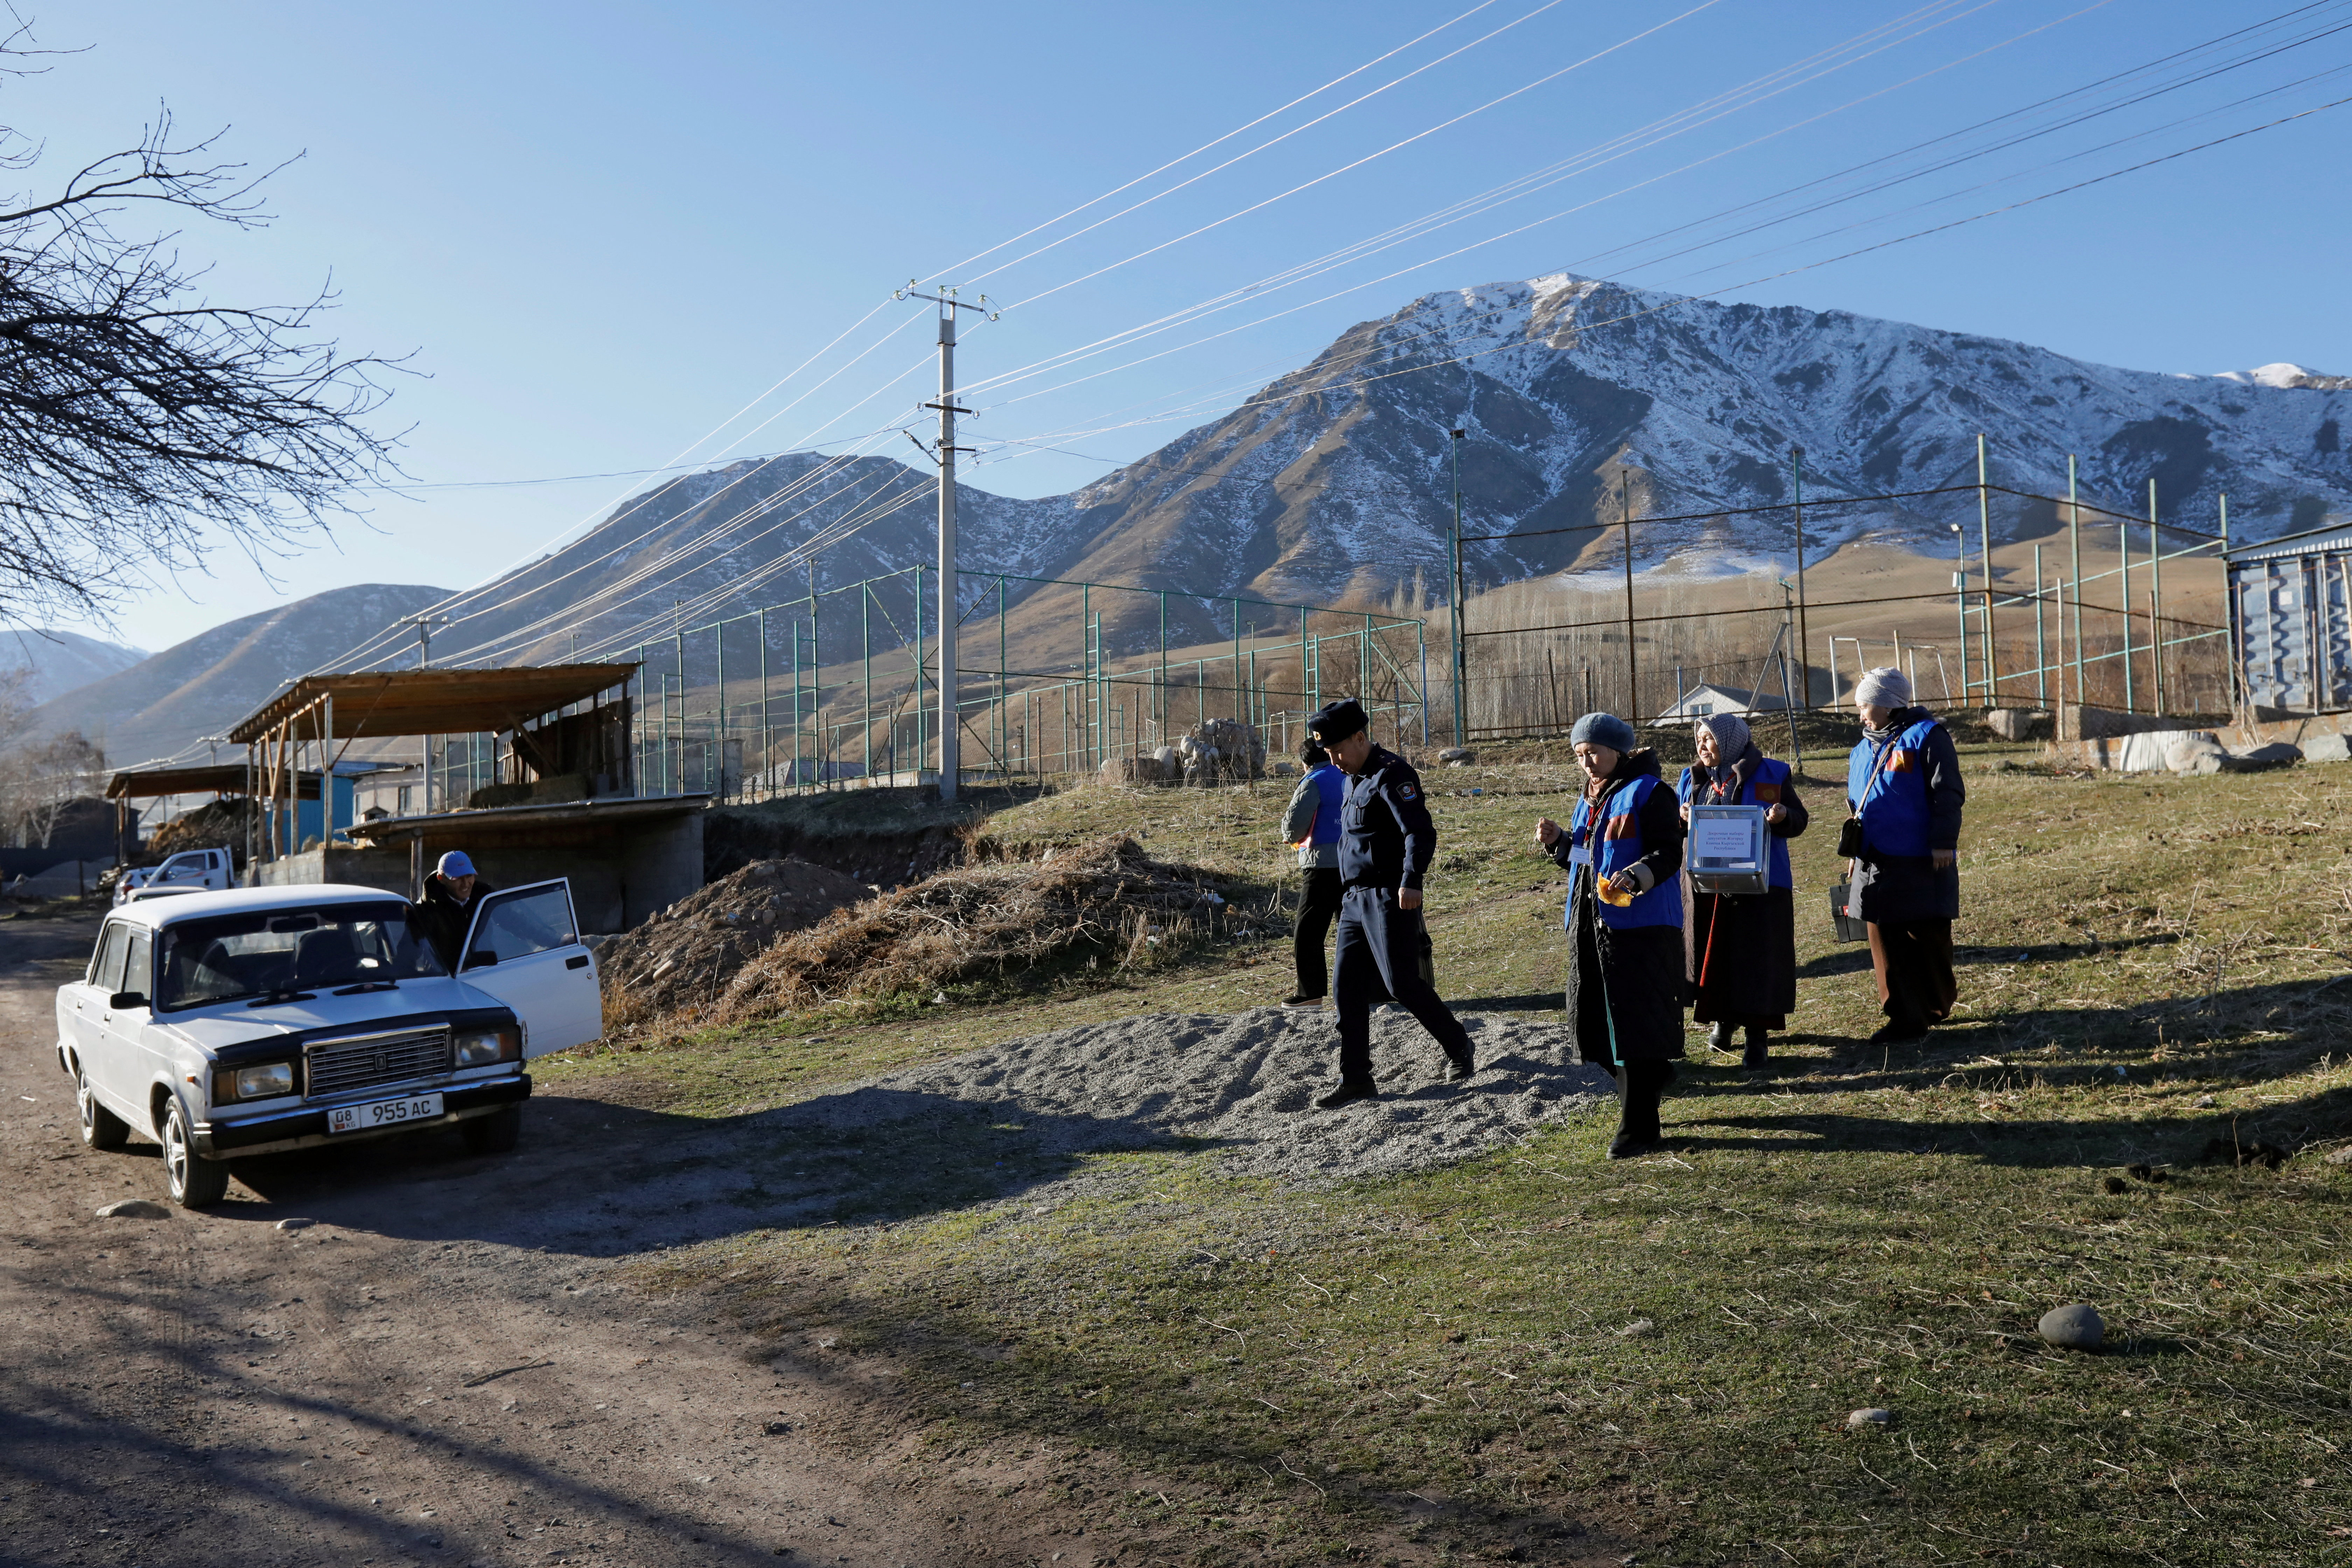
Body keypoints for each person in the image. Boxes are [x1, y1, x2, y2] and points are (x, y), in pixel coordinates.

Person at [1308, 698, 1478, 1109]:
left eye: (1336, 752)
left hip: (1389, 894)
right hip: (1354, 899)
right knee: (1344, 989)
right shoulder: (1352, 777)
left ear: (1360, 738)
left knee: (1402, 983)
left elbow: (1419, 832)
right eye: (1327, 754)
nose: (1333, 761)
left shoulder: (1392, 773)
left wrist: (1411, 880)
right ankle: (1356, 1078)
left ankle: (1458, 1046)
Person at [1535, 712, 1685, 1160]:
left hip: (1640, 930)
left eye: (1593, 753)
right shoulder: (1589, 799)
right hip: (1590, 929)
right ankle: (1653, 1076)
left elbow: (1670, 851)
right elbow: (1586, 858)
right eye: (1580, 756)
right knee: (1595, 1029)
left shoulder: (1651, 793)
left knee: (1634, 1029)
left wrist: (1638, 875)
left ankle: (1640, 1130)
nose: (1587, 763)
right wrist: (1560, 841)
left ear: (1619, 751)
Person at [1676, 711, 1809, 1069]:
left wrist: (1782, 817)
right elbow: (1673, 831)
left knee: (1757, 962)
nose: (1702, 746)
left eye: (1710, 738)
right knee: (1715, 957)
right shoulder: (1692, 781)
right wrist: (1683, 818)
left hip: (1761, 890)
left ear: (1731, 741)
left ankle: (1757, 1038)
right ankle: (1723, 1021)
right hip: (1708, 889)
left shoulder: (1773, 773)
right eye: (1699, 739)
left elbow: (1800, 821)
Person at [1844, 667, 1964, 1045]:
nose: (1861, 713)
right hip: (1874, 858)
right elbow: (1855, 807)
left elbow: (1947, 793)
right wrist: (1853, 851)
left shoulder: (1928, 737)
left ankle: (1936, 1004)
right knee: (1883, 937)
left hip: (1921, 856)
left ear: (1887, 704)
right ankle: (1903, 1016)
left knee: (1928, 934)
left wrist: (1943, 841)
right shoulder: (1861, 749)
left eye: (1865, 705)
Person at [1278, 740, 1346, 1009]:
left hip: (1321, 866)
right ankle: (1361, 991)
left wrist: (1288, 835)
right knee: (1351, 930)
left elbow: (1293, 827)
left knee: (1308, 933)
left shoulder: (1313, 781)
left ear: (1305, 762)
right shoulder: (1347, 774)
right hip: (1353, 862)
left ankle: (1311, 994)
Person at [414, 849, 497, 971]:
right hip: (445, 980)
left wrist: (535, 938)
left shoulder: (486, 898)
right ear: (441, 879)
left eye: (469, 876)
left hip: (484, 973)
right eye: (457, 878)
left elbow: (515, 920)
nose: (466, 884)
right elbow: (409, 951)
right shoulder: (425, 911)